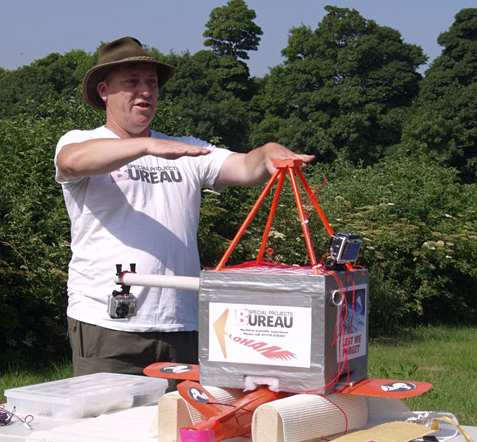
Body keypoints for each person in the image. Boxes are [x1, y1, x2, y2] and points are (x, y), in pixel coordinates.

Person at [54, 37, 314, 379]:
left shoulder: (186, 151)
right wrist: (146, 145)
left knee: (180, 429)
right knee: (103, 429)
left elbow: (246, 167)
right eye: (131, 82)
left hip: (182, 324)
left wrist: (269, 153)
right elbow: (71, 163)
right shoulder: (81, 141)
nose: (145, 92)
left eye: (151, 83)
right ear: (104, 90)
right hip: (108, 326)